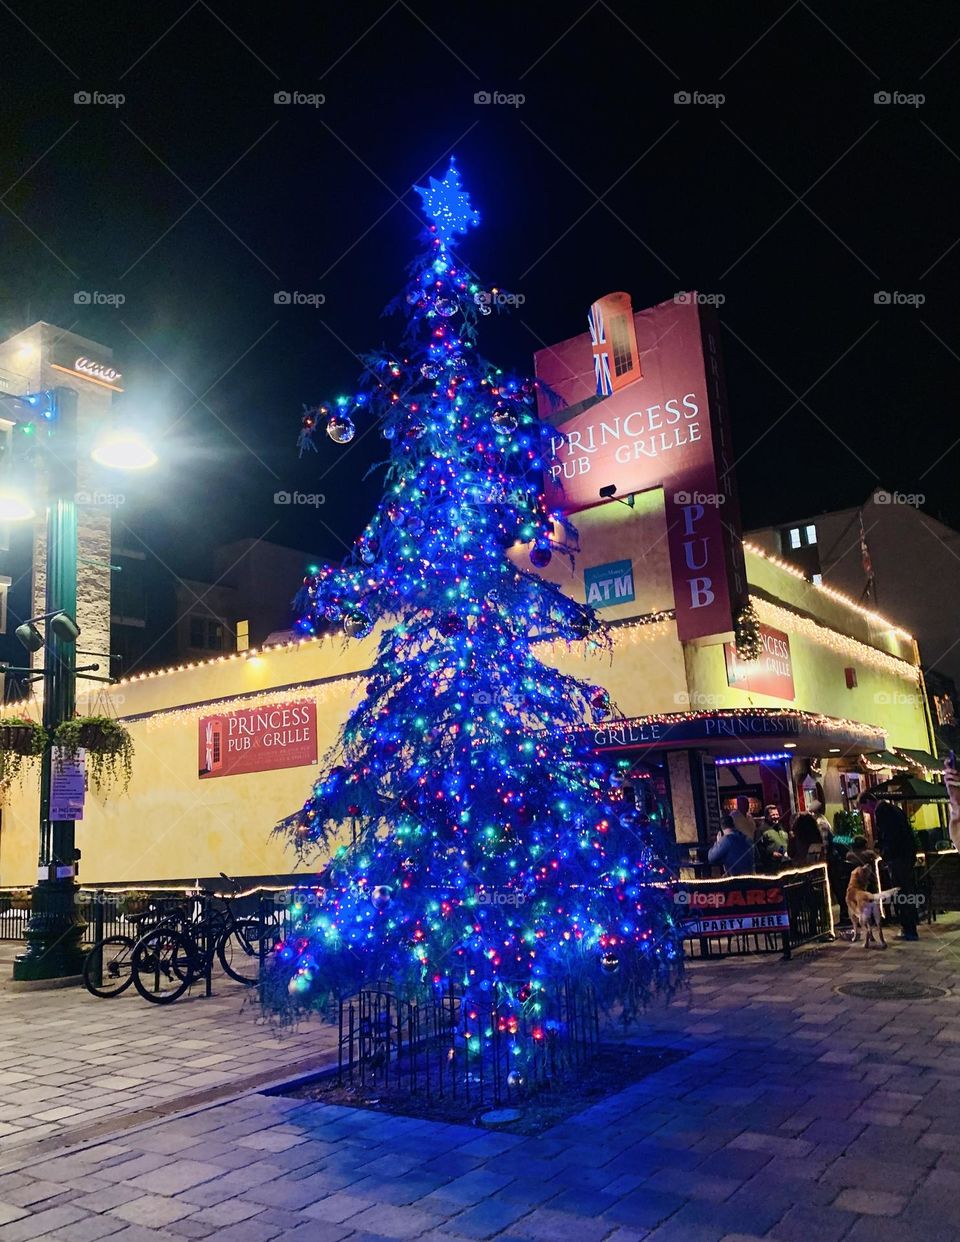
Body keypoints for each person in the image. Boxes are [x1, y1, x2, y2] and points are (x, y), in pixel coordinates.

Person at [860, 790, 920, 940]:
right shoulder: (892, 808)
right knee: (906, 892)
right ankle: (910, 926)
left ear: (868, 802)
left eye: (864, 808)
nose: (865, 812)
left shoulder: (883, 812)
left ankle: (909, 929)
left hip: (899, 858)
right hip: (906, 856)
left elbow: (891, 837)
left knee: (902, 893)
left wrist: (884, 853)